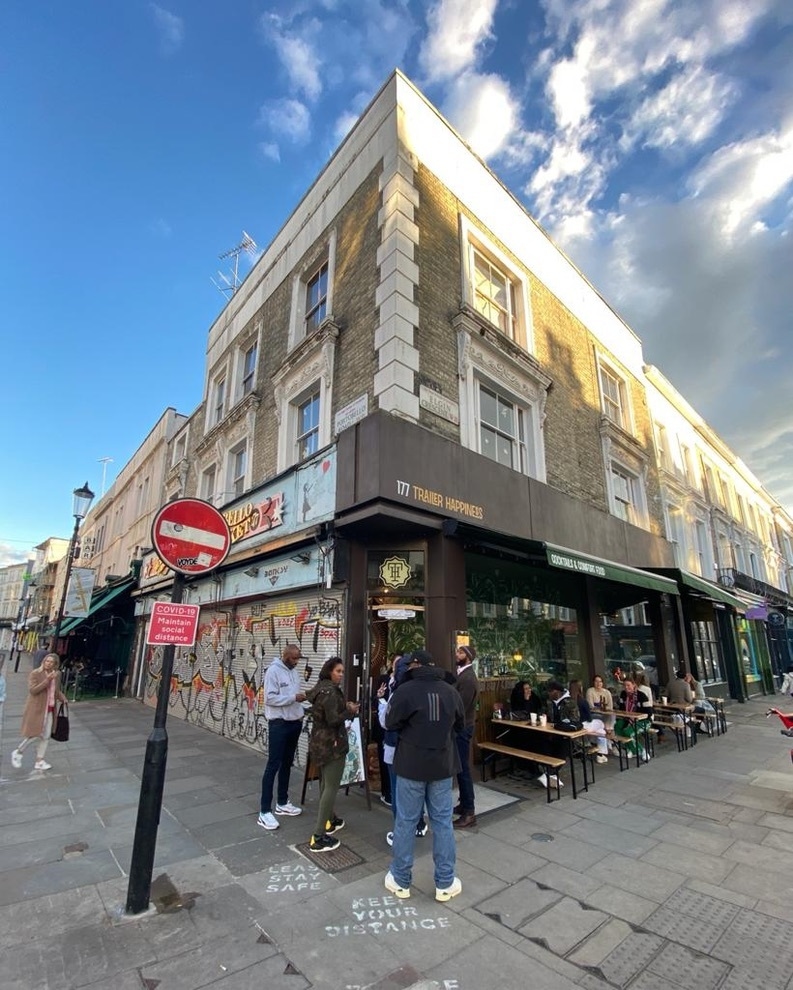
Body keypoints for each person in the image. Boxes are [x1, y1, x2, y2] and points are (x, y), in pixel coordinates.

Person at [384, 649, 465, 903]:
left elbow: (390, 722)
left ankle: (400, 879)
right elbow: (460, 725)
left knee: (406, 822)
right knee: (442, 823)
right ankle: (445, 882)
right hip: (442, 765)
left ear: (416, 665)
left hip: (411, 765)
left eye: (410, 663)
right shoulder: (450, 691)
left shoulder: (405, 691)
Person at [305, 656, 359, 852]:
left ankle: (330, 819)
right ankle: (318, 835)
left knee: (324, 782)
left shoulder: (320, 688)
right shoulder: (330, 692)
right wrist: (350, 710)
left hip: (319, 742)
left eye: (342, 671)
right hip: (332, 744)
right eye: (338, 671)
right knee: (331, 786)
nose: (341, 675)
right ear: (329, 671)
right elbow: (333, 719)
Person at [377, 654, 427, 847]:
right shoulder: (423, 691)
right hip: (417, 749)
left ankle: (401, 833)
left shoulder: (399, 693)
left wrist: (381, 703)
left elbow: (386, 722)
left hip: (396, 748)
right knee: (416, 789)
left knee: (398, 792)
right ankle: (419, 824)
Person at [258, 644, 307, 831]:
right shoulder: (273, 671)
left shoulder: (294, 672)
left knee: (287, 763)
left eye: (298, 658)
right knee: (273, 765)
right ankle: (264, 811)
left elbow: (294, 697)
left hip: (294, 722)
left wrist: (301, 708)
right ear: (285, 655)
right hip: (279, 724)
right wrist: (294, 698)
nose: (296, 662)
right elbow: (269, 699)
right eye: (293, 658)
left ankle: (282, 802)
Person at [11, 653, 67, 771]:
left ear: (55, 664)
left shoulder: (56, 675)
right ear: (43, 661)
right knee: (36, 733)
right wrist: (47, 680)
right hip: (38, 708)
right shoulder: (35, 673)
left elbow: (56, 690)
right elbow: (33, 690)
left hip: (50, 708)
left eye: (51, 662)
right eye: (47, 661)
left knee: (46, 736)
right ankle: (18, 751)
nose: (48, 664)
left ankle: (39, 761)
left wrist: (62, 697)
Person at [453, 645, 479, 829]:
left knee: (463, 768)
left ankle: (469, 812)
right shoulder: (462, 674)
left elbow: (460, 706)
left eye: (461, 652)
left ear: (468, 657)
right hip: (461, 726)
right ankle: (464, 803)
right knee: (460, 767)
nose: (457, 654)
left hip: (463, 727)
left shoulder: (468, 678)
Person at [370, 656, 396, 807]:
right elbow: (374, 700)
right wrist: (379, 698)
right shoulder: (384, 679)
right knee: (384, 760)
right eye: (396, 662)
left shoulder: (403, 683)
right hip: (382, 728)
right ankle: (386, 792)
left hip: (395, 730)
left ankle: (393, 792)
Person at [569, 679, 608, 763]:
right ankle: (601, 754)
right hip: (584, 725)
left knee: (601, 731)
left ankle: (600, 754)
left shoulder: (568, 700)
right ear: (580, 688)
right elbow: (589, 718)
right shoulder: (582, 701)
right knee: (601, 723)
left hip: (573, 725)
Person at [616, 677, 651, 762]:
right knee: (617, 726)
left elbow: (649, 713)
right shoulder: (623, 694)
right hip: (627, 719)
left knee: (628, 732)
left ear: (634, 685)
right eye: (624, 685)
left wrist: (637, 717)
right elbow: (621, 709)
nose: (626, 687)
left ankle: (642, 751)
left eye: (628, 685)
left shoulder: (641, 695)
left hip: (643, 721)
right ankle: (630, 749)